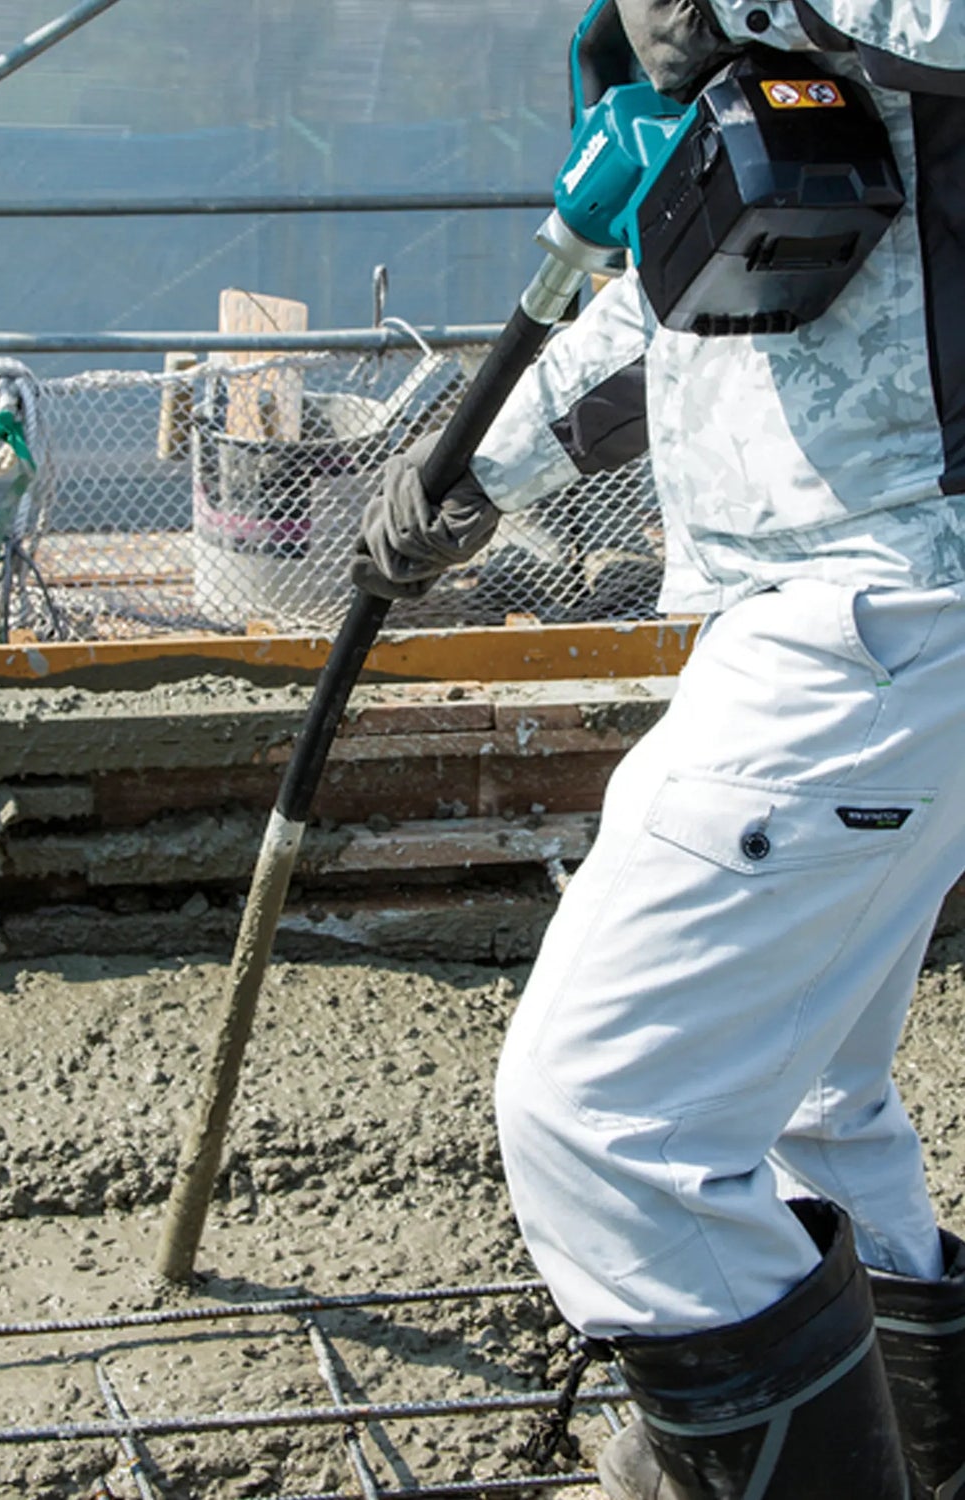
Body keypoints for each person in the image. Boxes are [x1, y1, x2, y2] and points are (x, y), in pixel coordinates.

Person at [352, 1, 965, 1495]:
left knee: (604, 1122)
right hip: (864, 618)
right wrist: (474, 468)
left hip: (882, 601)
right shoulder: (779, 69)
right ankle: (923, 1451)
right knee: (808, 1094)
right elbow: (684, 303)